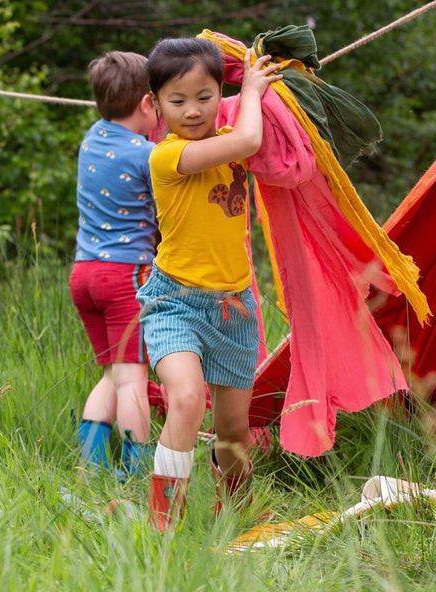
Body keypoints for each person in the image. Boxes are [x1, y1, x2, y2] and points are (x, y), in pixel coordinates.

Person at [136, 37, 282, 531]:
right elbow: (247, 141)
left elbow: (258, 141)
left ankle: (238, 514)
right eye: (177, 101)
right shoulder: (167, 156)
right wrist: (254, 92)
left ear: (221, 93)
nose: (193, 111)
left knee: (233, 432)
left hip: (234, 308)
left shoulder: (230, 129)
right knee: (185, 399)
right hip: (175, 303)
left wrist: (261, 91)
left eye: (204, 97)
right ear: (154, 105)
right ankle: (162, 524)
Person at [69, 50, 158, 477]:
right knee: (132, 381)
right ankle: (135, 473)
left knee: (112, 374)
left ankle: (91, 464)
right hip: (125, 276)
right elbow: (165, 214)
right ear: (146, 105)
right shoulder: (145, 155)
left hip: (83, 274)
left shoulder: (91, 138)